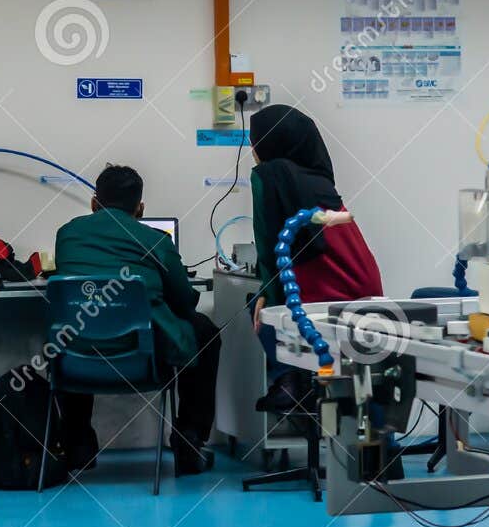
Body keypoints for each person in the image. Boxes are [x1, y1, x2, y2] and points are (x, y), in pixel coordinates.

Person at [52, 164, 220, 475]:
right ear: (140, 209)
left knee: (79, 332)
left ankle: (78, 444)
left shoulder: (67, 234)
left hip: (78, 358)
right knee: (205, 332)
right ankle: (189, 440)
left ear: (93, 203)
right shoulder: (156, 241)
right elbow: (184, 302)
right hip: (140, 359)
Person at [248, 105, 384, 408]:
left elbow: (269, 243)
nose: (252, 148)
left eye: (254, 141)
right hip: (364, 283)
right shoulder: (319, 178)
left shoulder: (268, 175)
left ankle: (289, 383)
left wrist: (264, 294)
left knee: (259, 309)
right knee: (361, 391)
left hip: (327, 290)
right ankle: (307, 388)